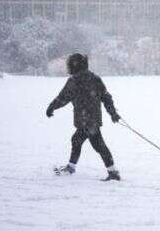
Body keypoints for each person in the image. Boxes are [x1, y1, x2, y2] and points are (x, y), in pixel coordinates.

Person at [46, 53, 122, 181]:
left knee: (96, 145)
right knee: (78, 140)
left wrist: (52, 107)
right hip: (91, 119)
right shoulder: (95, 79)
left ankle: (113, 172)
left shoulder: (74, 81)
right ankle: (72, 167)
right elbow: (106, 97)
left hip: (85, 119)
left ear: (75, 65)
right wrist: (113, 113)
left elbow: (63, 98)